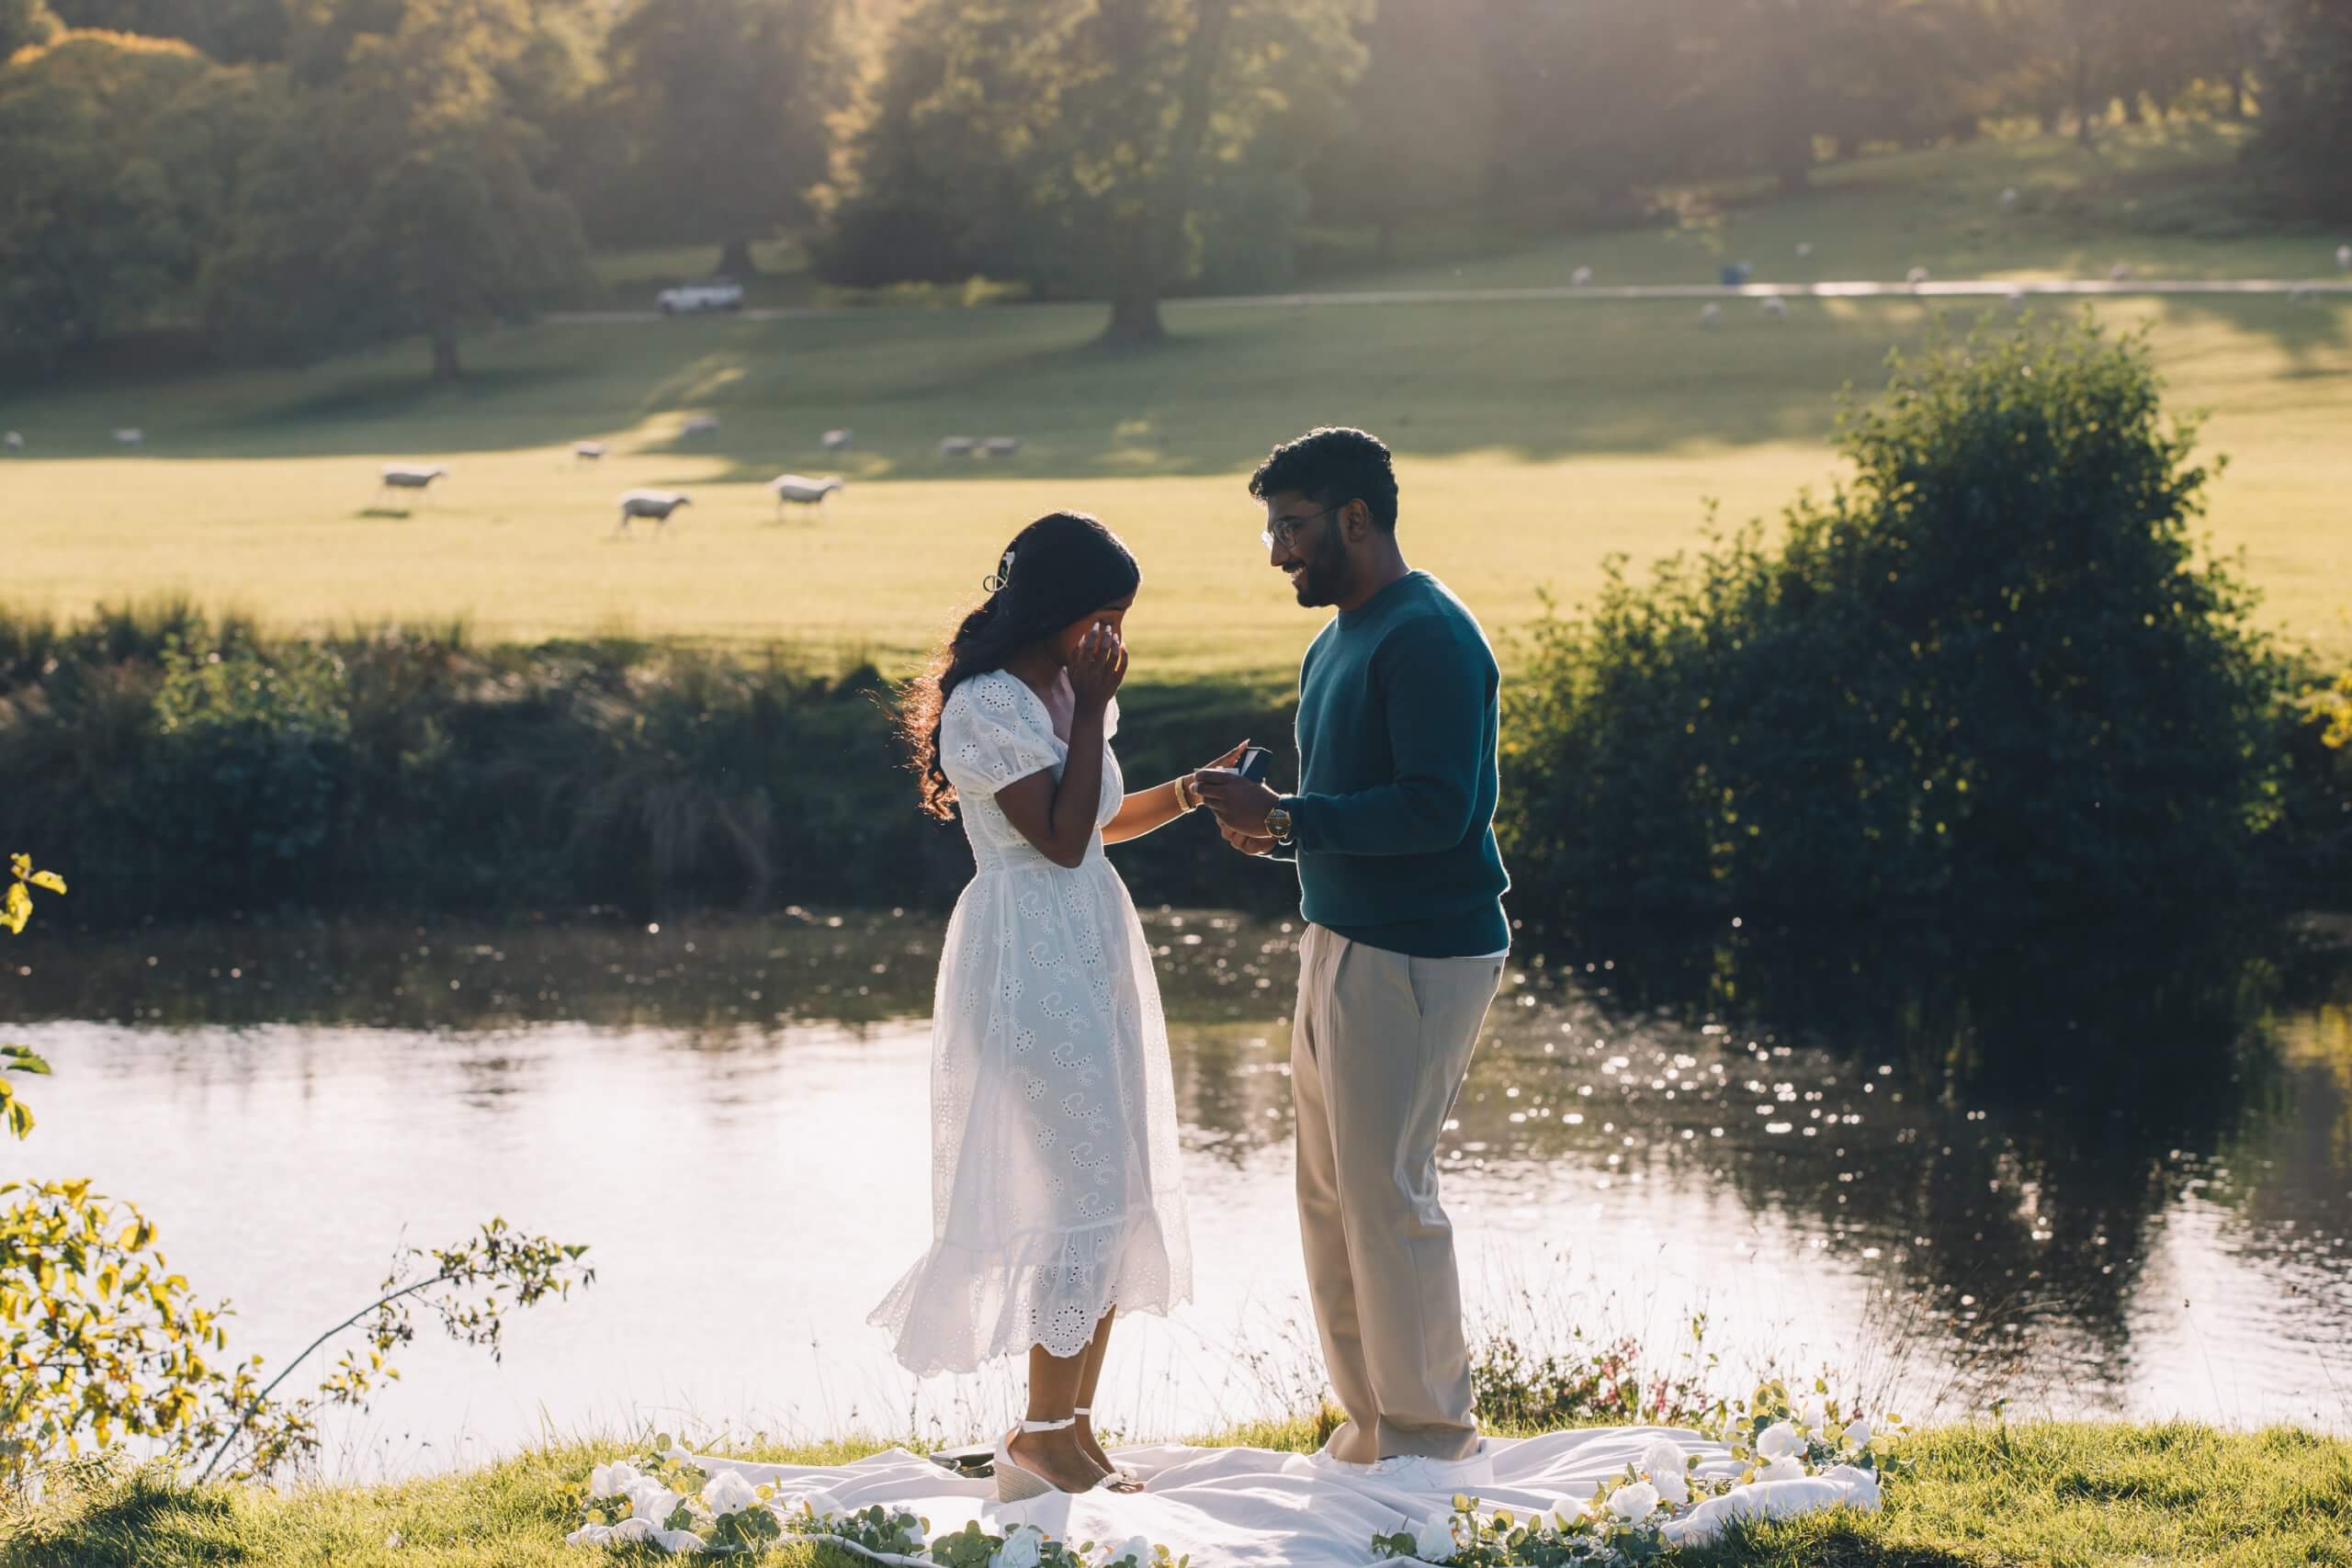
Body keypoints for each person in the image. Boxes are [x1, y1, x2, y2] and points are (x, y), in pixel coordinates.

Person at [877, 511, 1248, 1500]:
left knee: (1114, 1184)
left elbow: (1095, 823)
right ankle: (1039, 1438)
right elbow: (1053, 836)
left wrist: (1183, 791)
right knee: (1072, 1189)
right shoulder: (988, 705)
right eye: (1100, 616)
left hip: (1088, 940)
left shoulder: (1063, 688)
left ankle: (1074, 1427)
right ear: (1052, 609)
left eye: (1120, 619)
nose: (1111, 638)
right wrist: (1087, 710)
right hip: (1025, 960)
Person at [1193, 428, 1512, 1484]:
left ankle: (1428, 1443)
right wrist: (1275, 827)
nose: (1278, 551)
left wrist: (1287, 819)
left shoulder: (1427, 636)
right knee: (1330, 1196)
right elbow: (1332, 812)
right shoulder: (1338, 638)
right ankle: (1374, 1427)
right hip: (1338, 940)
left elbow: (1437, 811)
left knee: (1388, 1194)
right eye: (1272, 529)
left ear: (1356, 520)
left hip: (1418, 952)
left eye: (1291, 527)